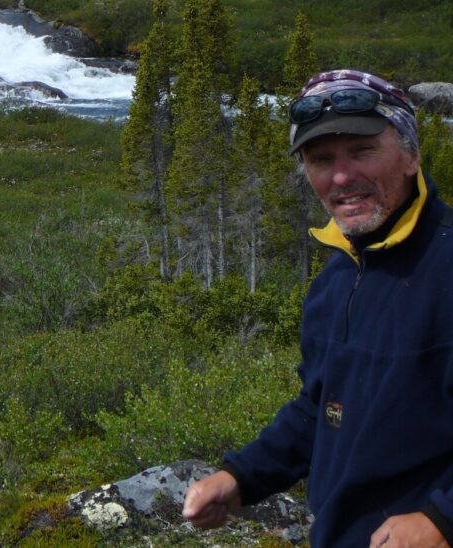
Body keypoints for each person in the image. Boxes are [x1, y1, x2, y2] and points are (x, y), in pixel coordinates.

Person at [182, 69, 453, 547]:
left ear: (410, 154)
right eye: (321, 159)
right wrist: (241, 477)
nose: (342, 177)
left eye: (362, 151)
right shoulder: (335, 282)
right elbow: (322, 411)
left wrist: (441, 520)